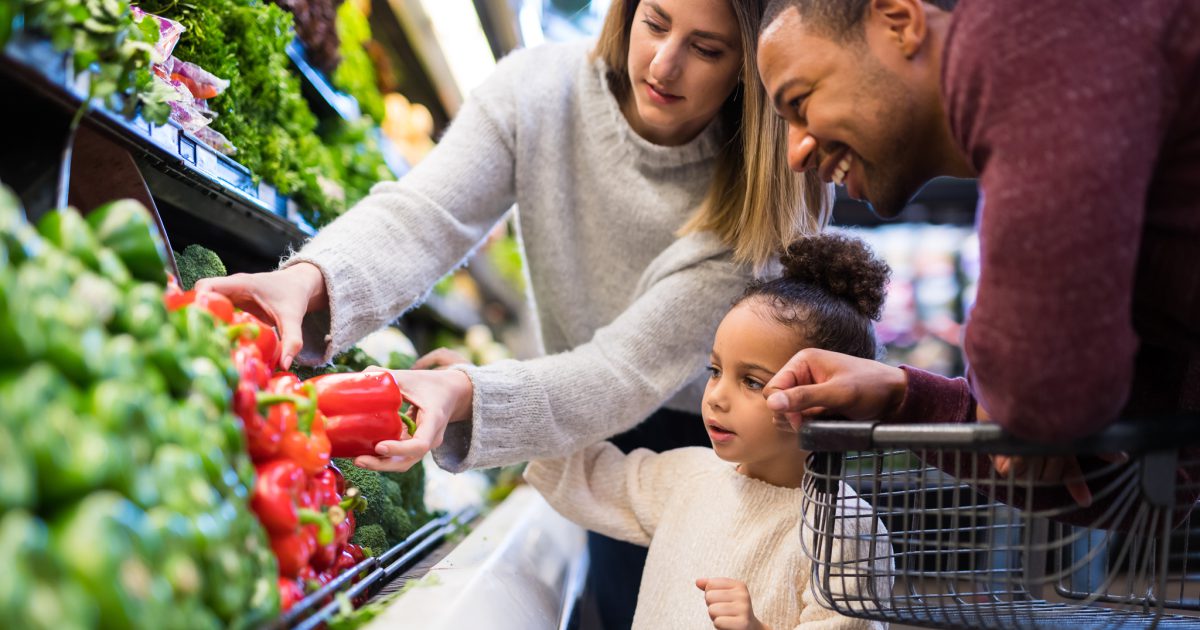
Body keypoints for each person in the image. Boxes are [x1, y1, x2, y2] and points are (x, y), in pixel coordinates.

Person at [197, 1, 829, 626]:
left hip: (716, 452)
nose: (664, 64)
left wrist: (467, 391)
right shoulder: (540, 89)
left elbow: (620, 372)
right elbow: (426, 214)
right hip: (594, 435)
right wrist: (312, 280)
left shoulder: (751, 198)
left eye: (706, 48)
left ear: (746, 66)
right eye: (655, 24)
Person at [752, 0, 1200, 506]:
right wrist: (902, 397)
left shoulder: (1025, 23)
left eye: (801, 100)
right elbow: (1141, 485)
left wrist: (1022, 401)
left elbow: (1036, 387)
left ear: (898, 22)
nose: (795, 154)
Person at [526, 233, 892, 630]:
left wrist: (756, 628)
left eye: (751, 381)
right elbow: (589, 474)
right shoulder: (688, 478)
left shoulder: (844, 529)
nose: (716, 396)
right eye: (715, 371)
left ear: (821, 399)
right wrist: (486, 402)